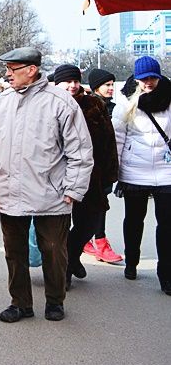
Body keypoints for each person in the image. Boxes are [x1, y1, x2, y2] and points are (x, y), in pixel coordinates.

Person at [0, 47, 93, 322]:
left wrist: (74, 188)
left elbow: (80, 149)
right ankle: (20, 303)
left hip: (51, 193)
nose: (7, 74)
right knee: (14, 251)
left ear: (31, 70)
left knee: (53, 249)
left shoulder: (61, 102)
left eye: (12, 69)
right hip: (10, 189)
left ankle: (55, 300)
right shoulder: (1, 103)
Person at [51, 64, 118, 288]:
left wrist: (109, 175)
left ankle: (72, 256)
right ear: (57, 83)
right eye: (67, 81)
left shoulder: (93, 104)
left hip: (90, 174)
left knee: (88, 223)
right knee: (57, 227)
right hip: (55, 177)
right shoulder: (47, 104)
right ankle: (64, 270)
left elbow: (109, 140)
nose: (72, 85)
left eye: (76, 81)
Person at [111, 55, 171, 295]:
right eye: (143, 79)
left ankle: (166, 274)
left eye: (152, 78)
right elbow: (117, 138)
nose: (148, 83)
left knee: (167, 225)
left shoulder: (169, 98)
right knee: (134, 220)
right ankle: (131, 261)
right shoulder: (126, 102)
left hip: (166, 171)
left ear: (159, 77)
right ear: (136, 79)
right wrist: (115, 171)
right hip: (135, 171)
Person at [83, 68, 123, 263]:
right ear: (96, 87)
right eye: (107, 85)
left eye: (112, 85)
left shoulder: (114, 108)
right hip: (90, 166)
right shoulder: (87, 107)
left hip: (105, 166)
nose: (111, 88)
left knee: (100, 205)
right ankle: (95, 240)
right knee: (93, 207)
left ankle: (96, 240)